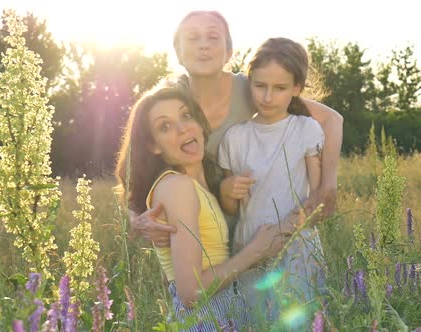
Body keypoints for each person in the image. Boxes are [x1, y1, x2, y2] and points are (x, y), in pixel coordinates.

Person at [130, 10, 343, 246]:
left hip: (252, 234)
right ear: (178, 53)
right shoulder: (167, 103)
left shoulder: (254, 88)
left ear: (229, 52)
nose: (203, 46)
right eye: (192, 38)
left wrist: (328, 184)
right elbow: (134, 172)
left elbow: (331, 120)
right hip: (198, 242)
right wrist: (137, 221)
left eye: (212, 37)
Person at [115, 83, 298, 331]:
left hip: (226, 311)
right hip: (204, 318)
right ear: (154, 145)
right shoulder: (176, 187)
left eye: (186, 115)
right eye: (165, 126)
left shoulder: (198, 185)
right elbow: (190, 292)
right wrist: (255, 251)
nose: (182, 128)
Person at [218, 37, 325, 327]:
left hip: (296, 243)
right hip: (250, 245)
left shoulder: (306, 129)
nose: (267, 97)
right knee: (255, 322)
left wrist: (282, 231)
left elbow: (317, 198)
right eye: (260, 86)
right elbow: (230, 206)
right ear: (249, 81)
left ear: (296, 88)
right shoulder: (235, 137)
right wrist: (229, 190)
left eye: (279, 89)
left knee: (297, 321)